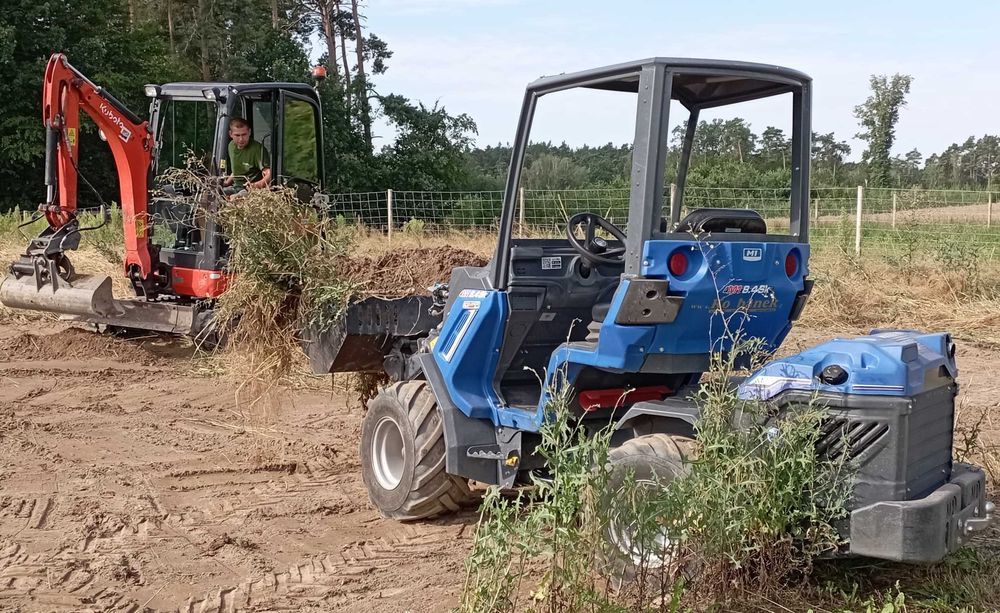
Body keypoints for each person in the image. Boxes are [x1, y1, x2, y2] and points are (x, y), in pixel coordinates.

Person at [222, 117, 271, 191]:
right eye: (237, 135)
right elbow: (236, 171)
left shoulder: (258, 149)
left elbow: (269, 174)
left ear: (249, 132)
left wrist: (254, 186)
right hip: (236, 187)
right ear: (230, 134)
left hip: (251, 191)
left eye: (244, 134)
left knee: (234, 197)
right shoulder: (231, 146)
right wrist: (226, 183)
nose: (241, 139)